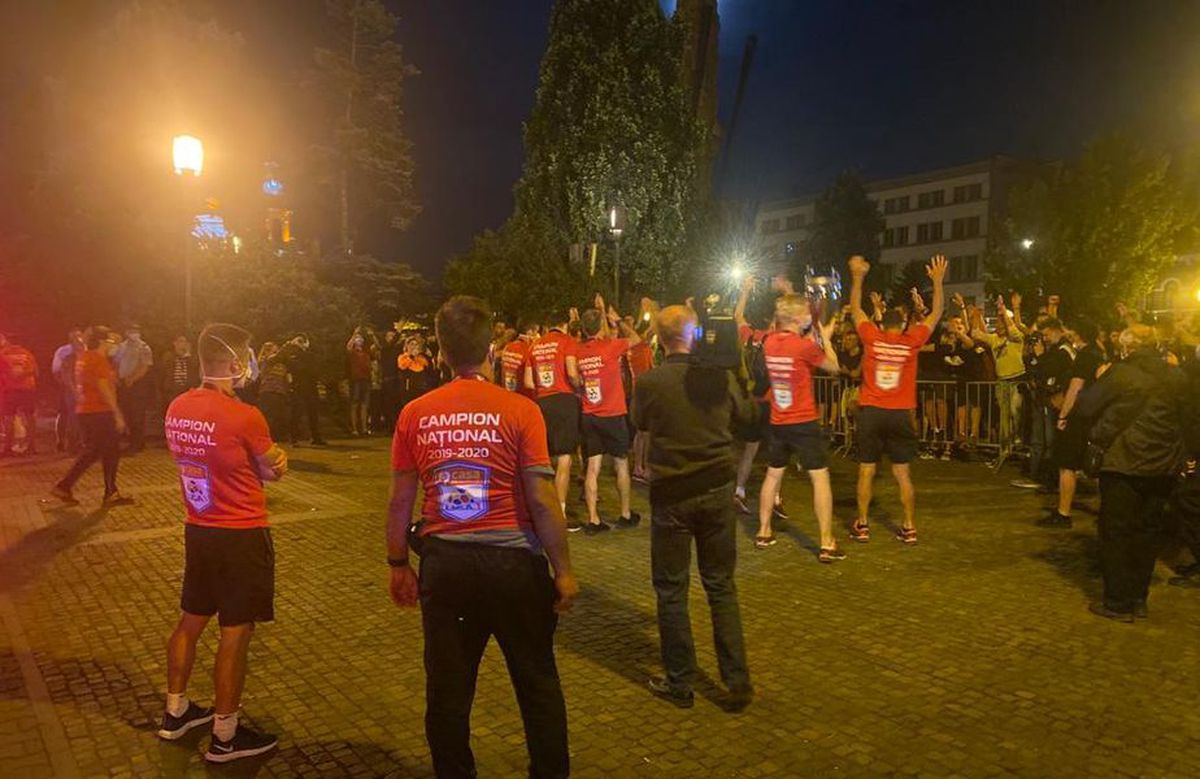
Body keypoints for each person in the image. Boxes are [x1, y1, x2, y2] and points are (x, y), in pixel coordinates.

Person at [386, 295, 575, 779]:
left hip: (446, 566)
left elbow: (400, 498)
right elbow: (540, 497)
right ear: (490, 346)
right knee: (537, 684)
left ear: (442, 351)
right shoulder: (520, 411)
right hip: (514, 565)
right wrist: (563, 570)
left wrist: (396, 563)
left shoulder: (415, 413)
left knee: (448, 693)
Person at [157, 323, 288, 761]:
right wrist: (274, 461)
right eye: (246, 356)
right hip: (242, 533)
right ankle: (226, 735)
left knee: (191, 618)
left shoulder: (177, 407)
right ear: (234, 363)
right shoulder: (245, 414)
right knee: (235, 630)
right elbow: (272, 467)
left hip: (199, 528)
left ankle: (175, 712)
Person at [632, 304, 758, 712]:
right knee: (720, 585)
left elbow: (641, 423)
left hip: (672, 491)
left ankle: (680, 681)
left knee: (671, 589)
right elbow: (747, 417)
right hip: (716, 487)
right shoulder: (717, 377)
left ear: (660, 338)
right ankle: (736, 681)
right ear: (696, 334)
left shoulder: (651, 381)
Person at [1076, 324, 1184, 622]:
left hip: (1124, 460)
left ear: (1128, 347)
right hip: (1163, 463)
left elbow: (1086, 407)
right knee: (1148, 531)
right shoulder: (1175, 375)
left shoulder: (1121, 373)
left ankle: (1118, 600)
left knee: (1117, 530)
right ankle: (1138, 597)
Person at [847, 254, 947, 545]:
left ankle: (863, 524)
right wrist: (938, 282)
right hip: (901, 413)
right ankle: (909, 526)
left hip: (872, 411)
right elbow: (936, 312)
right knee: (903, 473)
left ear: (883, 325)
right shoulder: (911, 341)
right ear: (902, 325)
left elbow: (855, 309)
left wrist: (857, 277)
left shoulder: (872, 338)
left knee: (867, 470)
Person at [753, 293, 844, 559]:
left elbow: (786, 339)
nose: (808, 317)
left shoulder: (770, 343)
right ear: (795, 318)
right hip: (803, 420)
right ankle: (827, 542)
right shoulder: (803, 347)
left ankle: (763, 530)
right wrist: (825, 338)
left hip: (779, 419)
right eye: (804, 313)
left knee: (773, 474)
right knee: (819, 477)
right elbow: (834, 367)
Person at [574, 295, 643, 534]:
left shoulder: (579, 352)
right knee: (621, 463)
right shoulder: (610, 348)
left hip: (590, 414)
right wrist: (617, 319)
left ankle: (593, 519)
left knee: (592, 466)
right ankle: (625, 513)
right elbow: (636, 338)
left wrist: (602, 314)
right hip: (612, 413)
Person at [50, 327, 134, 506]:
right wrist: (117, 413)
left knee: (94, 451)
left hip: (87, 411)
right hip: (100, 411)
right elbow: (103, 388)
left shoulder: (85, 357)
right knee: (108, 451)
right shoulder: (97, 359)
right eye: (110, 341)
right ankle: (107, 491)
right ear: (102, 342)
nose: (114, 345)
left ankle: (67, 486)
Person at [1039, 320, 1105, 529]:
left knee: (1067, 464)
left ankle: (1063, 512)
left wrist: (1063, 415)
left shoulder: (1085, 356)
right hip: (1094, 411)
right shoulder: (1099, 353)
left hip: (1078, 415)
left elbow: (1075, 388)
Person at [525, 311, 581, 520]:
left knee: (545, 458)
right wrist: (578, 387)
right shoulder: (567, 341)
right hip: (564, 400)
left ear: (548, 327)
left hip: (542, 401)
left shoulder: (535, 346)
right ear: (564, 325)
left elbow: (529, 383)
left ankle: (541, 506)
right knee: (565, 458)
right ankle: (560, 510)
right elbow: (573, 373)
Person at [113, 323, 155, 453]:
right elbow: (115, 363)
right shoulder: (120, 347)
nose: (134, 333)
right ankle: (134, 441)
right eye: (132, 330)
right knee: (128, 414)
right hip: (123, 385)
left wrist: (132, 378)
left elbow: (145, 367)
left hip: (137, 386)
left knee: (137, 415)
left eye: (137, 330)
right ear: (126, 332)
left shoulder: (144, 347)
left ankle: (137, 443)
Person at [0, 333, 40, 456]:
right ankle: (31, 447)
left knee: (8, 418)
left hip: (9, 390)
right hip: (27, 389)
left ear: (7, 341)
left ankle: (7, 448)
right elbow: (36, 372)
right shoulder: (27, 354)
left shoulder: (3, 354)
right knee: (29, 417)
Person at [283, 334, 325, 446]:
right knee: (297, 413)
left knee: (313, 413)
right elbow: (298, 367)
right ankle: (294, 438)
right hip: (299, 386)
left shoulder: (307, 355)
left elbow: (313, 369)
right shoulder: (292, 354)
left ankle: (315, 437)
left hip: (310, 386)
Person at [52, 328, 85, 453]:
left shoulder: (85, 357)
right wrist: (73, 390)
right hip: (69, 391)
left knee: (79, 418)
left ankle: (79, 443)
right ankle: (70, 444)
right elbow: (62, 375)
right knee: (71, 417)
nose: (81, 346)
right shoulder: (67, 356)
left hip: (80, 391)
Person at [256, 342, 291, 441]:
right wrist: (288, 345)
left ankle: (275, 439)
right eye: (274, 351)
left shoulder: (281, 364)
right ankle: (265, 439)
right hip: (268, 391)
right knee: (269, 418)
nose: (276, 353)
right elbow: (278, 356)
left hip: (280, 392)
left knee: (279, 418)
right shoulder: (266, 360)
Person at [500, 320, 539, 396]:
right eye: (536, 332)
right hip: (524, 396)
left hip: (508, 394)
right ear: (529, 332)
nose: (537, 335)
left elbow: (502, 374)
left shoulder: (508, 347)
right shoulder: (529, 349)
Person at [346, 328, 374, 436]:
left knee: (364, 405)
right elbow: (348, 347)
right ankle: (354, 428)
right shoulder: (352, 353)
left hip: (366, 379)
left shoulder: (366, 353)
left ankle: (364, 428)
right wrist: (354, 334)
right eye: (358, 339)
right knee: (354, 403)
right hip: (355, 380)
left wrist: (371, 336)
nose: (359, 341)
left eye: (360, 339)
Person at [160, 335, 200, 405]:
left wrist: (187, 355)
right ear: (175, 343)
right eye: (180, 341)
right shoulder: (169, 357)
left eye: (185, 342)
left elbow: (196, 371)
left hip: (187, 391)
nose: (183, 344)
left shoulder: (192, 358)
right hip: (172, 392)